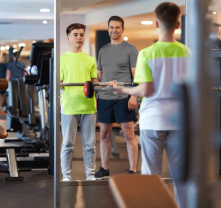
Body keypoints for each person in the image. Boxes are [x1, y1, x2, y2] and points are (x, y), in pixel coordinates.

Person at [110, 2, 188, 207]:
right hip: (179, 120)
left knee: (151, 175)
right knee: (181, 176)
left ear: (156, 23)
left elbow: (145, 90)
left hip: (153, 119)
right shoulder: (187, 54)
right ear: (178, 24)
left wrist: (123, 90)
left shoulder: (147, 53)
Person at [94, 16, 139, 178]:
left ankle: (133, 169)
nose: (114, 30)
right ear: (108, 29)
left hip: (123, 98)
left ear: (123, 29)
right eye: (111, 27)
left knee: (128, 134)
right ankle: (104, 168)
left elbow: (136, 76)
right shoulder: (103, 50)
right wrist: (94, 89)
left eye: (117, 27)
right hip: (104, 98)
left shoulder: (131, 49)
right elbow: (99, 77)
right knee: (104, 134)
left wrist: (133, 96)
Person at [60, 23, 97, 181]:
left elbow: (94, 83)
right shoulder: (62, 59)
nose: (79, 37)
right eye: (75, 34)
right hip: (69, 107)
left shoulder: (90, 60)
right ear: (69, 38)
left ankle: (90, 175)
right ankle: (66, 176)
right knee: (68, 145)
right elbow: (59, 83)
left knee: (90, 146)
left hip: (88, 107)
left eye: (81, 35)